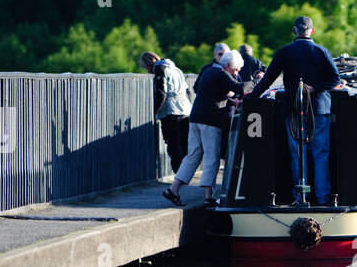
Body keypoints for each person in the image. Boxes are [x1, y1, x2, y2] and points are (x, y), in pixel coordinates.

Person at [247, 16, 345, 205]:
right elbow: (335, 79)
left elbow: (267, 79)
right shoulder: (321, 51)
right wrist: (314, 88)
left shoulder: (285, 52)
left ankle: (300, 197)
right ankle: (323, 198)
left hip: (293, 111)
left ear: (294, 31)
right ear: (312, 31)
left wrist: (251, 98)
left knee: (297, 154)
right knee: (320, 154)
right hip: (319, 109)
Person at [164, 49, 245, 208]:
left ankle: (173, 189)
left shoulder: (209, 71)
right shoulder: (222, 74)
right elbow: (240, 88)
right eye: (235, 69)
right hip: (210, 121)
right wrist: (257, 80)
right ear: (228, 65)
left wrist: (228, 99)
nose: (236, 73)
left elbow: (209, 92)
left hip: (195, 118)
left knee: (192, 156)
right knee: (212, 158)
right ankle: (209, 197)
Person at [140, 51, 192, 173]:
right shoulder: (176, 69)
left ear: (148, 64)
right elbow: (187, 91)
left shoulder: (159, 69)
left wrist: (154, 112)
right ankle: (186, 173)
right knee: (184, 143)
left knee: (174, 145)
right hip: (185, 110)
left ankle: (179, 175)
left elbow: (161, 93)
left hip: (171, 111)